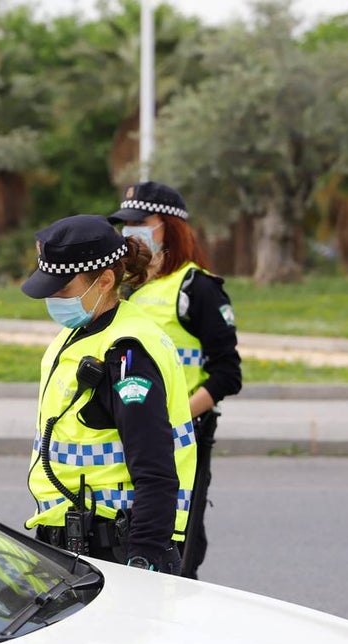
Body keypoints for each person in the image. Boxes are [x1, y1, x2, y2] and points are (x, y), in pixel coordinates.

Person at [20, 214, 197, 574]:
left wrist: (145, 554)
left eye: (63, 290)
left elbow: (155, 468)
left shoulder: (126, 353)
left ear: (104, 281)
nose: (53, 299)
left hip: (115, 548)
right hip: (76, 540)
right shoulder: (85, 332)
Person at [107, 182, 242, 579]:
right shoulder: (125, 288)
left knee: (177, 547)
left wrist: (176, 420)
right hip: (128, 432)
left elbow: (227, 374)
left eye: (139, 221)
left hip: (181, 436)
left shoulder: (196, 288)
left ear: (169, 226)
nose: (129, 229)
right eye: (124, 222)